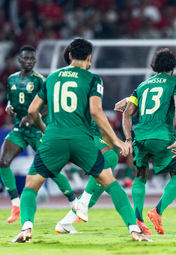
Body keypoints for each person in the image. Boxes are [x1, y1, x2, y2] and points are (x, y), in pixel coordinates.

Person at [11, 38, 150, 242]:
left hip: (54, 138)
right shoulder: (92, 79)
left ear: (69, 56)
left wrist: (44, 129)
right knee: (111, 183)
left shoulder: (51, 78)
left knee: (30, 187)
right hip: (81, 139)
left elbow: (32, 110)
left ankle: (26, 228)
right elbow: (95, 110)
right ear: (89, 57)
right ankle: (134, 230)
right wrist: (116, 139)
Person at [55, 45, 130, 233]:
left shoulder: (59, 79)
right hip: (80, 132)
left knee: (107, 167)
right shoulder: (89, 79)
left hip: (90, 130)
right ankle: (84, 203)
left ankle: (68, 220)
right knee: (110, 160)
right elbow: (94, 109)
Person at [0, 45, 76, 224]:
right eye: (25, 58)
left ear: (35, 61)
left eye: (32, 59)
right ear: (20, 60)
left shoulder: (41, 80)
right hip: (19, 130)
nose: (28, 62)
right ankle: (15, 204)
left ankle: (74, 203)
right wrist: (9, 107)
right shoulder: (11, 79)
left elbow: (50, 106)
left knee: (52, 167)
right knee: (3, 161)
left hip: (37, 130)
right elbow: (11, 99)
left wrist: (35, 118)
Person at [123, 48, 176, 235]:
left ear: (154, 66)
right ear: (173, 67)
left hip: (140, 136)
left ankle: (137, 219)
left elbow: (127, 113)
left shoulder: (141, 86)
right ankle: (157, 212)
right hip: (162, 136)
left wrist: (127, 139)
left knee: (140, 176)